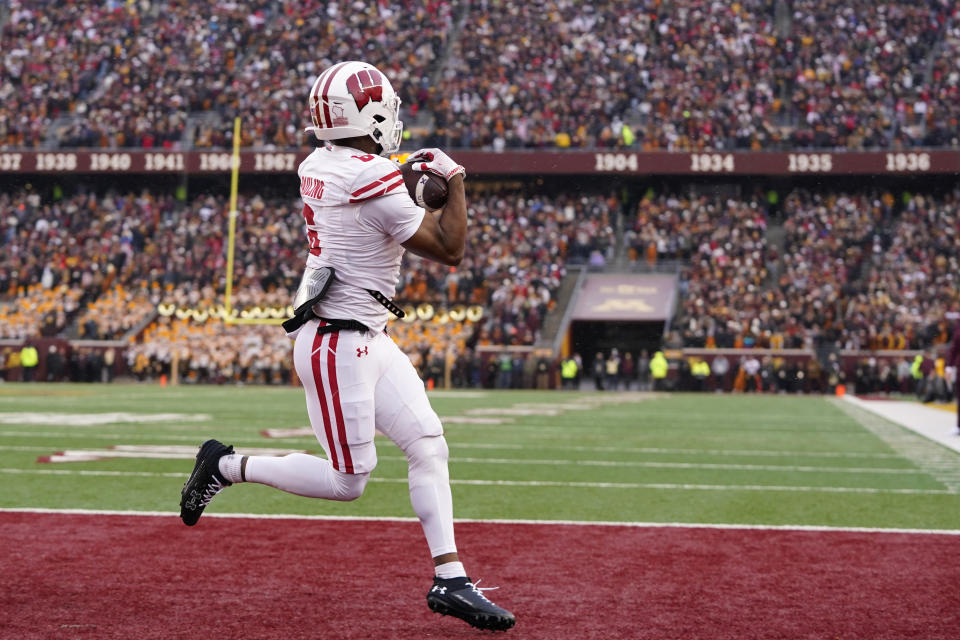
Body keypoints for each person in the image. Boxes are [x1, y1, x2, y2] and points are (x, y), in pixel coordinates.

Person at [178, 61, 514, 632]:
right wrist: (452, 183)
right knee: (348, 481)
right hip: (338, 344)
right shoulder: (366, 176)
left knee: (429, 443)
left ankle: (450, 579)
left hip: (365, 334)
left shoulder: (319, 161)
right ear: (373, 116)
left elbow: (374, 182)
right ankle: (226, 465)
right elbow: (450, 246)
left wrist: (410, 178)